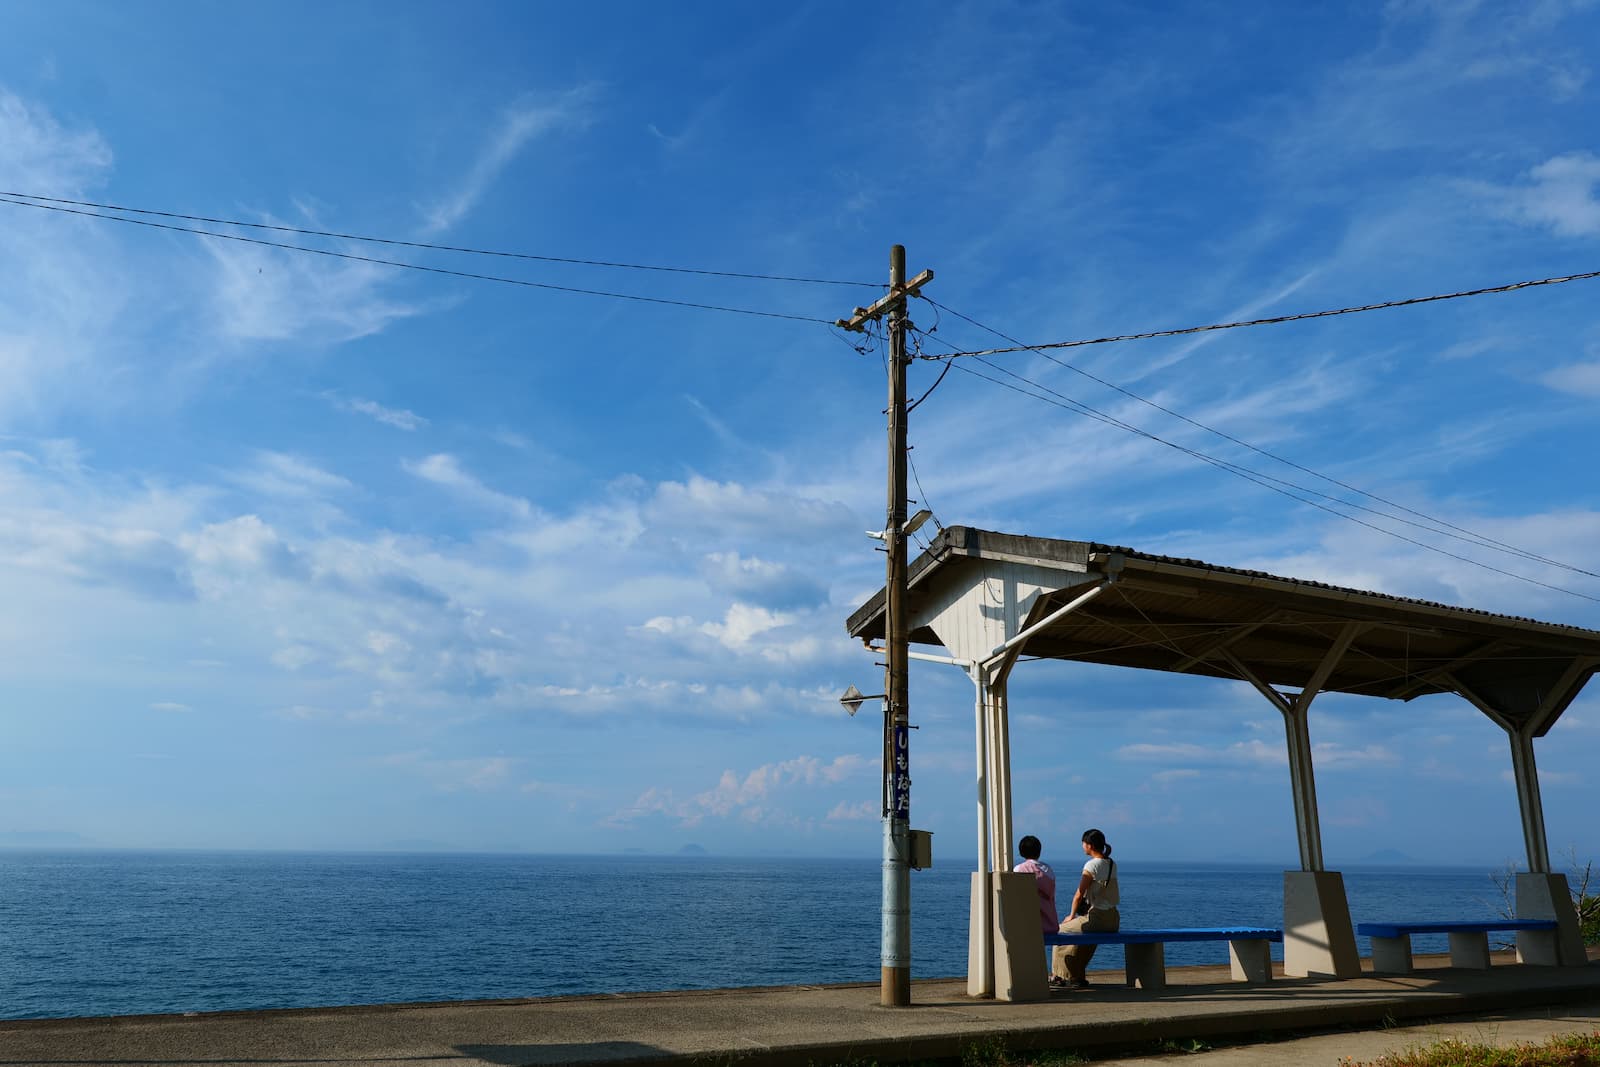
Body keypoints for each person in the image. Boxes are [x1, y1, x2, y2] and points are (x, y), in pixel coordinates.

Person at [1051, 828, 1119, 989]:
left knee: (1059, 931)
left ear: (1089, 845)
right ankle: (1077, 976)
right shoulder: (1111, 863)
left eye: (1083, 843)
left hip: (1097, 918)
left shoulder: (1091, 865)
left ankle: (1058, 976)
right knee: (1085, 940)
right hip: (1113, 919)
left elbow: (1079, 894)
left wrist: (1071, 915)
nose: (1082, 846)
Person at [1014, 835, 1057, 935]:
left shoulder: (1019, 869)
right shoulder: (1048, 870)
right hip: (1051, 925)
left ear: (1021, 852)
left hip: (1029, 926)